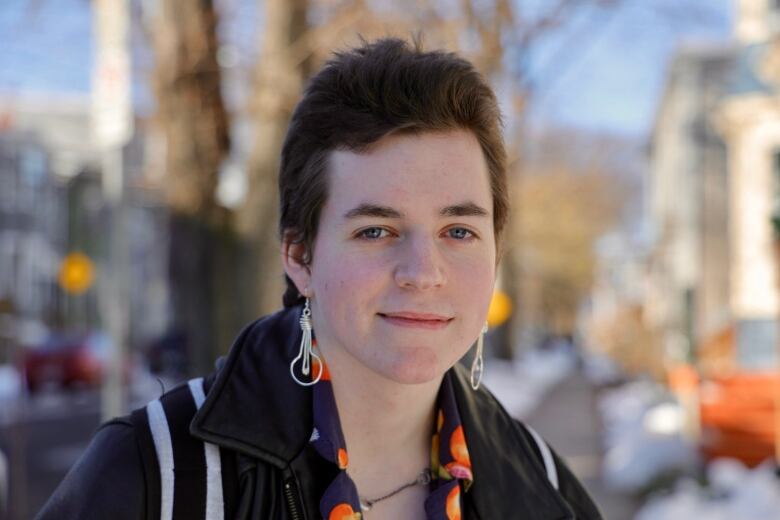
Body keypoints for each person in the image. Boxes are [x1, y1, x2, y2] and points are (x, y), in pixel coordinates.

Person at [38, 37, 602, 520]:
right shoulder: (154, 475)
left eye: (458, 231)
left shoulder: (543, 489)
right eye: (376, 231)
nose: (423, 274)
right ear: (299, 256)